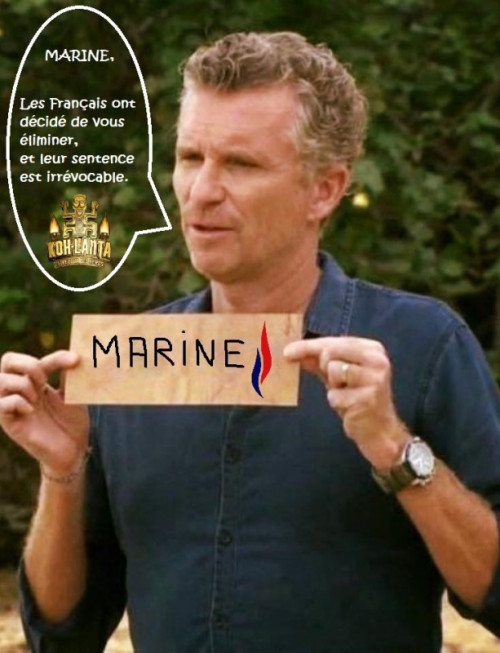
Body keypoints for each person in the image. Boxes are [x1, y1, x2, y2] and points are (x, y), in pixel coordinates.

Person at [1, 31, 500, 653]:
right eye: (190, 157)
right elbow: (62, 634)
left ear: (325, 189)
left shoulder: (423, 346)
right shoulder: (129, 362)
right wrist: (62, 472)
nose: (202, 191)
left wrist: (395, 451)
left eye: (240, 164)